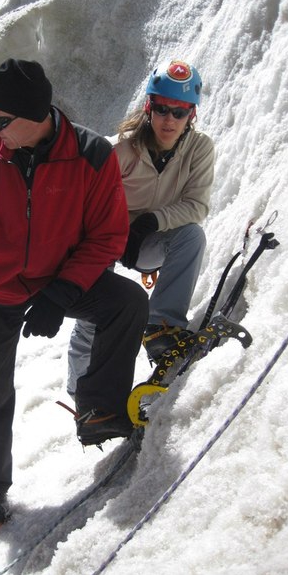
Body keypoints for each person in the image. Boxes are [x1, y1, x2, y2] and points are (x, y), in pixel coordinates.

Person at [0, 58, 148, 531]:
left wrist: (63, 293)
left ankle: (99, 410)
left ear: (34, 115)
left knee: (128, 302)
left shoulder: (92, 156)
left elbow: (108, 237)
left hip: (60, 280)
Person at [68, 59, 215, 396]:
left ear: (191, 114)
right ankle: (83, 395)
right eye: (163, 109)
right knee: (92, 312)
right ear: (150, 107)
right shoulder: (120, 149)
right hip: (104, 236)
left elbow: (197, 205)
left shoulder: (199, 149)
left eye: (179, 112)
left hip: (151, 240)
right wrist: (112, 234)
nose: (169, 119)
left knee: (192, 236)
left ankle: (162, 324)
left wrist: (150, 222)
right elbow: (86, 199)